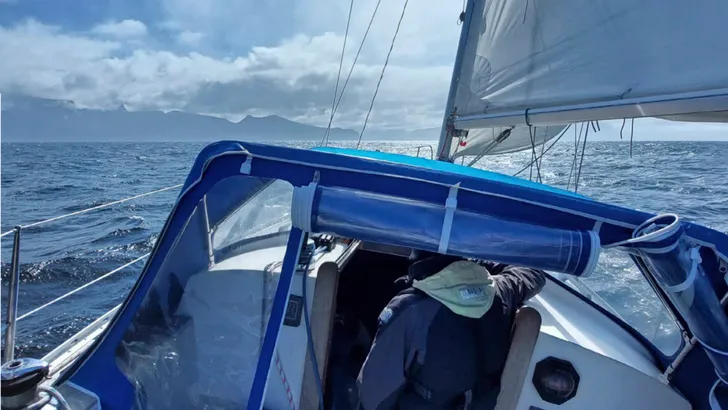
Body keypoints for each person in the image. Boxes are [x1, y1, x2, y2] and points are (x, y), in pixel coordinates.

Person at [357, 250, 546, 410]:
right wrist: (472, 265)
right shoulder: (500, 291)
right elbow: (533, 272)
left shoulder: (410, 309)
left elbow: (373, 397)